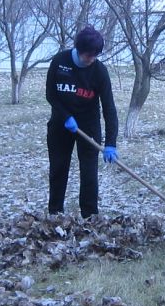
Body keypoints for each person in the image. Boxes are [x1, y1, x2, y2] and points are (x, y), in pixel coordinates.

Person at [44, 26, 120, 217]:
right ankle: (55, 213)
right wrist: (65, 116)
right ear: (79, 49)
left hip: (88, 126)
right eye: (88, 55)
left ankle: (90, 216)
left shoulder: (99, 71)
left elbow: (109, 108)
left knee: (89, 174)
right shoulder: (60, 61)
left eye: (95, 55)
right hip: (61, 124)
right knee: (58, 169)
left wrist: (111, 143)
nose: (91, 59)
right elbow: (51, 95)